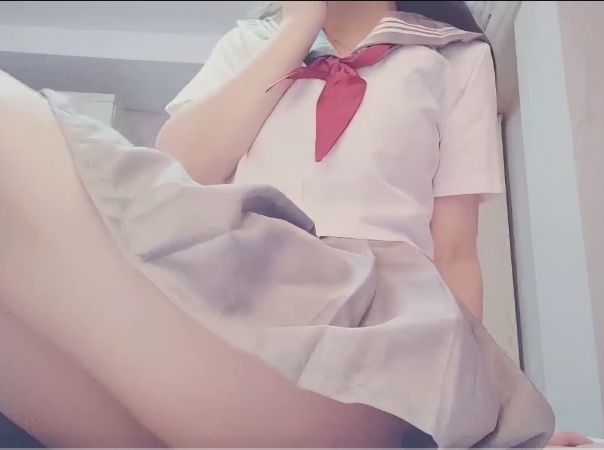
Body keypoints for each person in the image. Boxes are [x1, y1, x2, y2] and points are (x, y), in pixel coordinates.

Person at [0, 0, 568, 448]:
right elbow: (177, 172)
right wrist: (297, 27)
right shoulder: (250, 44)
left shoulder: (455, 58)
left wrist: (476, 421)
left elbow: (456, 252)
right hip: (240, 285)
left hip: (371, 323)